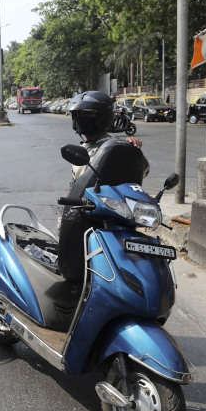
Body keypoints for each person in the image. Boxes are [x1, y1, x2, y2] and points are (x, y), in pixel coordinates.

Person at [59, 91, 148, 284]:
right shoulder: (82, 148)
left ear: (103, 116)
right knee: (74, 271)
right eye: (77, 116)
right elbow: (75, 185)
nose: (81, 120)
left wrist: (134, 152)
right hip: (82, 214)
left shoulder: (114, 146)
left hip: (110, 216)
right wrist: (65, 215)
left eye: (87, 114)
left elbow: (141, 171)